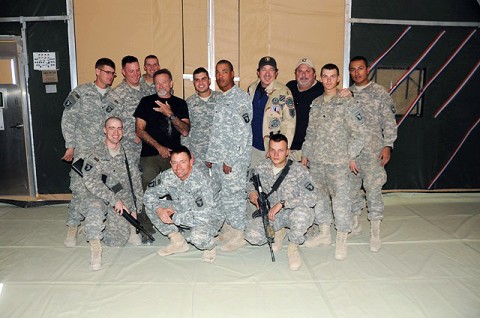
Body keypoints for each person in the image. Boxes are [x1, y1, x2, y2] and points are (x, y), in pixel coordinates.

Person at [301, 63, 364, 260]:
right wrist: (305, 154)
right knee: (319, 198)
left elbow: (359, 132)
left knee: (341, 201)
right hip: (318, 161)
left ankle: (342, 239)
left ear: (338, 79)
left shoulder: (347, 102)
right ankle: (325, 234)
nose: (328, 80)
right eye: (325, 76)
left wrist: (350, 156)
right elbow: (310, 132)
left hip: (338, 162)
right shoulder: (317, 103)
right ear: (320, 78)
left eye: (332, 76)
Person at [61, 57, 117, 248]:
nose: (110, 76)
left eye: (113, 73)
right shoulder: (81, 93)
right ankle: (73, 227)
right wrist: (70, 145)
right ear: (97, 71)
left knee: (103, 190)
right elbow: (68, 119)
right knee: (79, 190)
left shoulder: (114, 97)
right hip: (83, 153)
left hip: (104, 154)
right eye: (107, 72)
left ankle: (95, 224)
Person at [245, 134, 317, 270]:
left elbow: (312, 197)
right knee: (252, 235)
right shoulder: (261, 167)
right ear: (268, 152)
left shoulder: (298, 170)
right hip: (272, 215)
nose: (276, 154)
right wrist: (252, 193)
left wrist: (283, 203)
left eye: (280, 150)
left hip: (293, 213)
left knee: (302, 215)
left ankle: (293, 247)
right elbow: (250, 182)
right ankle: (279, 231)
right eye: (272, 150)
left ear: (287, 152)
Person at [134, 68, 190, 243]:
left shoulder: (180, 104)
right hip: (150, 155)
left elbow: (185, 131)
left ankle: (178, 221)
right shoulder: (146, 102)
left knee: (179, 189)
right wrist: (158, 147)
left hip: (174, 157)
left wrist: (170, 114)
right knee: (148, 188)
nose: (161, 86)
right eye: (157, 83)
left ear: (171, 83)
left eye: (164, 82)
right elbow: (139, 130)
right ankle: (146, 227)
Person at [348, 56, 397, 252]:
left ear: (368, 69)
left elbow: (389, 122)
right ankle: (355, 224)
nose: (357, 73)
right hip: (352, 153)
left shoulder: (379, 93)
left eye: (360, 68)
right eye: (352, 69)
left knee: (373, 190)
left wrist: (388, 145)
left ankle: (375, 232)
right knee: (352, 190)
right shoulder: (346, 94)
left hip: (373, 152)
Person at [81, 116, 144, 270]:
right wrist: (113, 199)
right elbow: (91, 182)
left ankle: (101, 223)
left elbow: (135, 183)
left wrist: (136, 210)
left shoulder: (128, 154)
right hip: (98, 196)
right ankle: (95, 248)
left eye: (119, 128)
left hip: (121, 201)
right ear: (104, 130)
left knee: (118, 241)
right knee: (95, 208)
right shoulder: (95, 153)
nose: (116, 132)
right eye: (111, 128)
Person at [144, 146, 224, 262]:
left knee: (198, 238)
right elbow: (148, 194)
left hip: (209, 216)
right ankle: (178, 242)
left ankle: (209, 245)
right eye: (175, 163)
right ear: (170, 163)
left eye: (183, 162)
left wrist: (173, 217)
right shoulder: (168, 176)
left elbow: (202, 217)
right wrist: (159, 209)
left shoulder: (202, 181)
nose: (178, 168)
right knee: (152, 207)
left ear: (191, 162)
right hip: (184, 207)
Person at [205, 59, 252, 252]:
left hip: (233, 161)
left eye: (224, 71)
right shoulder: (220, 98)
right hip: (218, 160)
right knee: (222, 197)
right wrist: (211, 155)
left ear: (232, 74)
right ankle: (229, 229)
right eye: (217, 72)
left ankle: (239, 234)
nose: (220, 76)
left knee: (234, 196)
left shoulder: (240, 98)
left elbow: (243, 133)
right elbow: (217, 131)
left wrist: (230, 160)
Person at [247, 56, 296, 167]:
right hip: (252, 148)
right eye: (264, 69)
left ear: (276, 73)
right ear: (258, 72)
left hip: (273, 150)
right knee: (254, 182)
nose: (267, 73)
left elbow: (289, 123)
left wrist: (281, 150)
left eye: (271, 70)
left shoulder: (284, 92)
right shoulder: (251, 89)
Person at [108, 56, 147, 167]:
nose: (136, 74)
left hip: (149, 146)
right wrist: (133, 136)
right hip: (129, 147)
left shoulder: (147, 90)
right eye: (131, 71)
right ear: (123, 72)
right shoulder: (116, 94)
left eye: (137, 70)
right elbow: (111, 122)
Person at [182, 67, 221, 172]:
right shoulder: (188, 103)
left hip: (219, 152)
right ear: (194, 83)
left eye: (203, 79)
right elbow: (184, 131)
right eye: (197, 80)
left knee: (221, 186)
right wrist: (187, 152)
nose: (200, 83)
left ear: (209, 80)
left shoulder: (221, 99)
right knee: (200, 186)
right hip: (197, 154)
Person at [286, 58, 324, 161]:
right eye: (300, 71)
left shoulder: (323, 90)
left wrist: (348, 93)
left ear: (314, 74)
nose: (303, 75)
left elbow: (336, 94)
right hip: (290, 150)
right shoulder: (289, 87)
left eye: (307, 71)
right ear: (295, 73)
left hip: (312, 152)